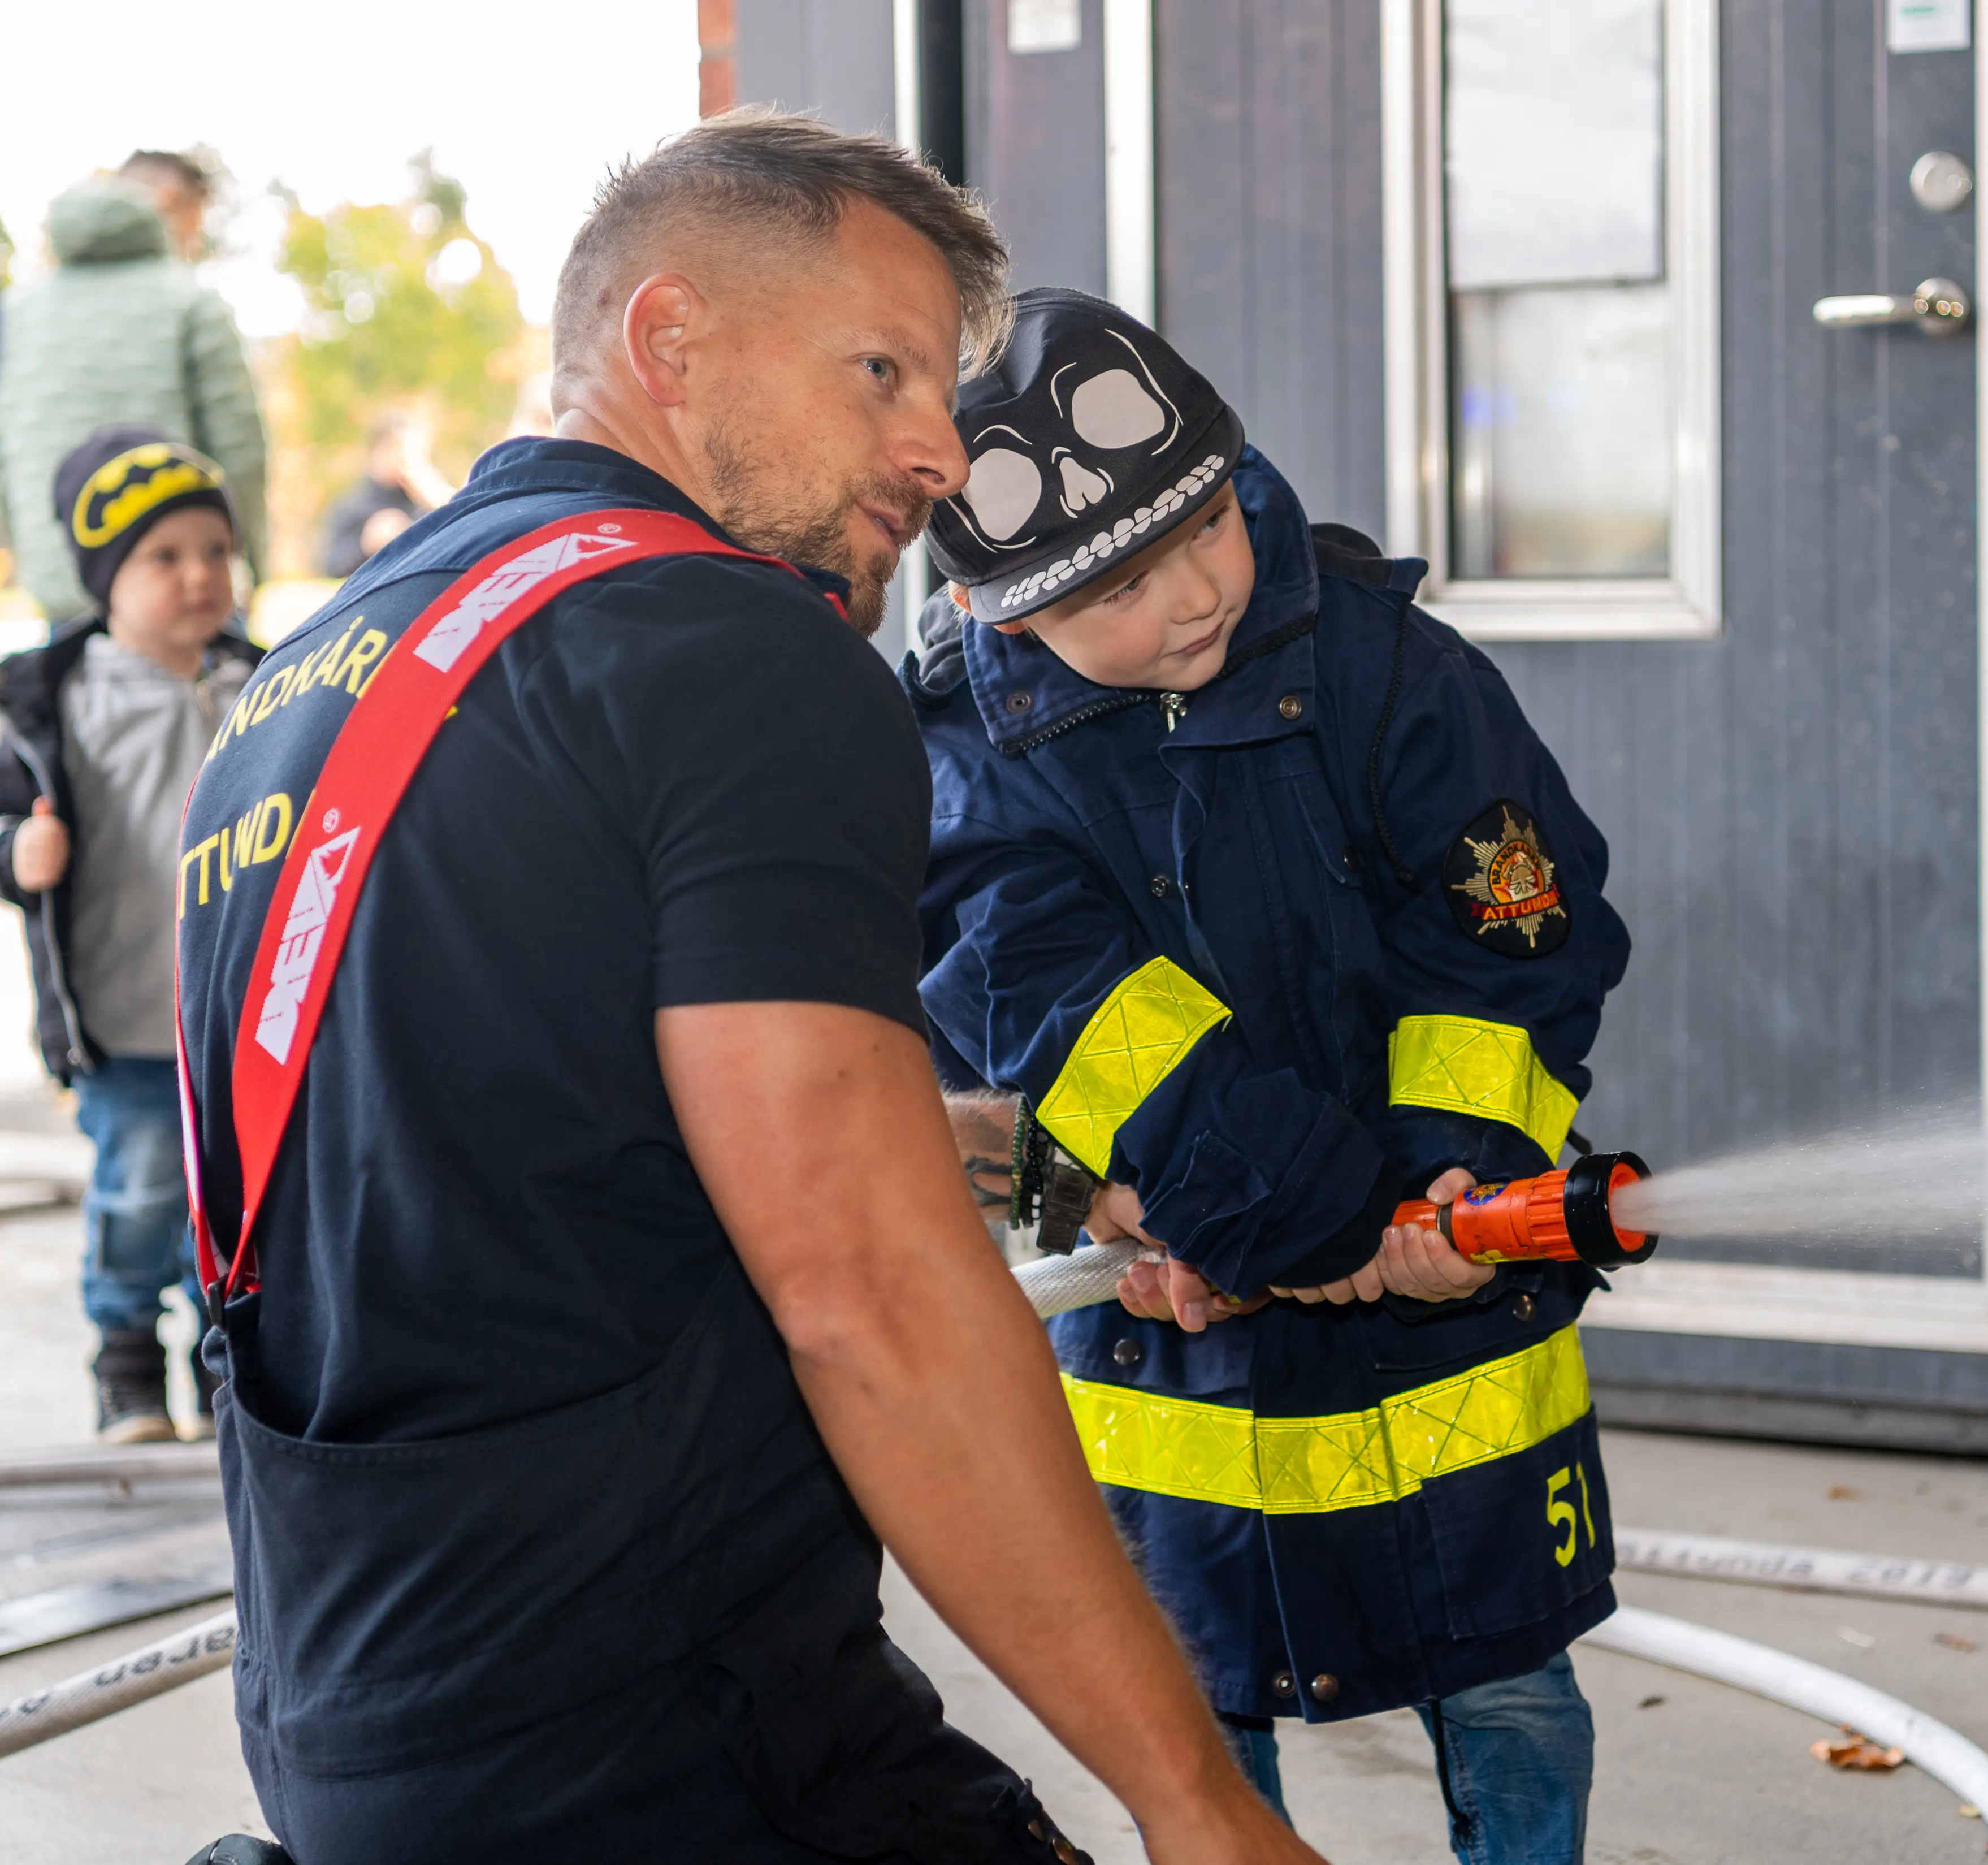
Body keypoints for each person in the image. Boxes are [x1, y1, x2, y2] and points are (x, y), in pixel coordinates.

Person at [173, 110, 1320, 1864]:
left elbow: (456, 1131)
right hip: (658, 1727)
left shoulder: (330, 666)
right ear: (668, 339)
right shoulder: (728, 644)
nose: (940, 452)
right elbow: (871, 1298)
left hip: (356, 1725)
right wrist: (1201, 1805)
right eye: (882, 372)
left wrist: (921, 1135)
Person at [907, 291, 1634, 1863]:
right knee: (1197, 1706)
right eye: (1116, 584)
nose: (1188, 597)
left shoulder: (1391, 672)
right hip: (1181, 1344)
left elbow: (1515, 942)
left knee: (1510, 1691)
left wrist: (1453, 1174)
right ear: (1005, 612)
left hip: (1456, 1327)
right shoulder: (972, 775)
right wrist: (1270, 1211)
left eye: (1206, 528)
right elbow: (1052, 1026)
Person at [0, 427, 255, 1443]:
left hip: (238, 1019)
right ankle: (126, 1361)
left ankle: (222, 1367)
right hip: (126, 1015)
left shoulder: (260, 683)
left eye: (215, 551)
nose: (198, 576)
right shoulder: (63, 700)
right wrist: (16, 852)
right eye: (163, 557)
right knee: (138, 1194)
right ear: (106, 581)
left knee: (233, 1208)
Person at [0, 161, 266, 621]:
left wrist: (26, 557)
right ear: (169, 204)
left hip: (62, 585)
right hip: (188, 589)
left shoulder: (16, 313)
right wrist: (247, 562)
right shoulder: (191, 302)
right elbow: (240, 454)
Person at [312, 408, 452, 577]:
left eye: (414, 453)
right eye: (394, 449)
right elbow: (328, 568)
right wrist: (364, 545)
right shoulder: (350, 505)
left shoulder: (429, 503)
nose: (402, 460)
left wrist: (435, 499)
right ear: (374, 452)